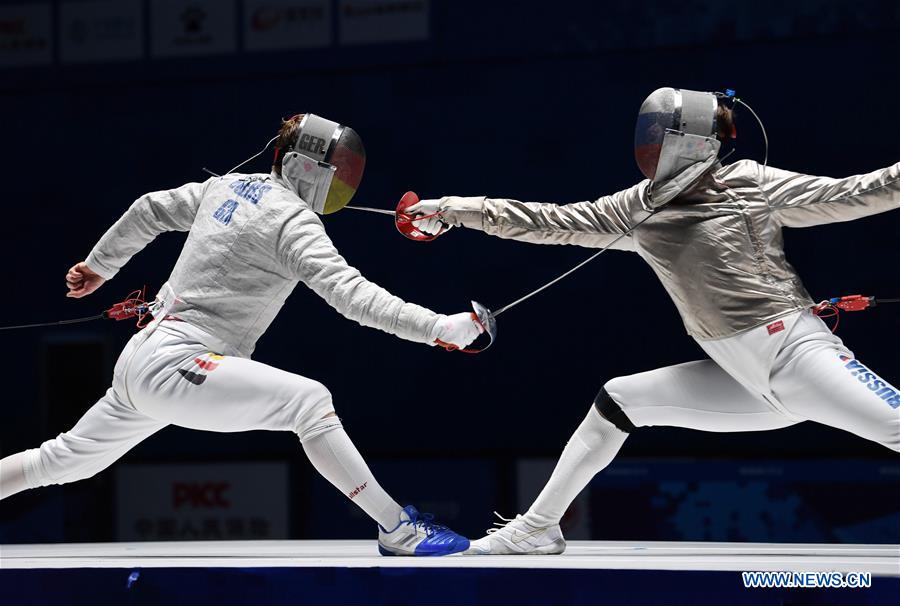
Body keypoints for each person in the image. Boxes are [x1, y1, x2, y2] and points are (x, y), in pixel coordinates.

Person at [407, 88, 900, 555]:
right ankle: (537, 529)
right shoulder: (638, 207)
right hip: (748, 382)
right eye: (647, 135)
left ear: (694, 144)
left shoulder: (749, 182)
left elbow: (859, 191)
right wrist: (452, 210)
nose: (648, 147)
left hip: (798, 356)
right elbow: (547, 220)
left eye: (658, 136)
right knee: (620, 400)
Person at [0, 113, 482, 557]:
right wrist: (439, 327)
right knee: (308, 402)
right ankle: (398, 530)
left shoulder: (226, 187)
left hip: (143, 360)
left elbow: (150, 208)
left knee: (59, 461)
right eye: (337, 171)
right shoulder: (293, 222)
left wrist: (100, 265)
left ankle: (398, 530)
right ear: (303, 167)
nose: (343, 183)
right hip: (176, 363)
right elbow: (354, 297)